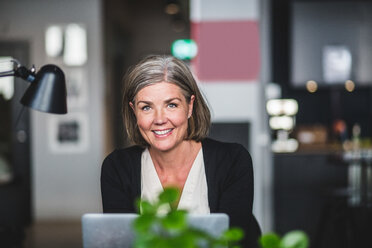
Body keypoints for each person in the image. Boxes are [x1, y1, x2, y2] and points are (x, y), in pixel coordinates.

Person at [101, 55, 261, 247]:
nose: (159, 119)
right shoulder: (117, 168)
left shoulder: (233, 161)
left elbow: (235, 241)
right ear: (134, 111)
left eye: (171, 105)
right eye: (146, 107)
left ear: (190, 106)